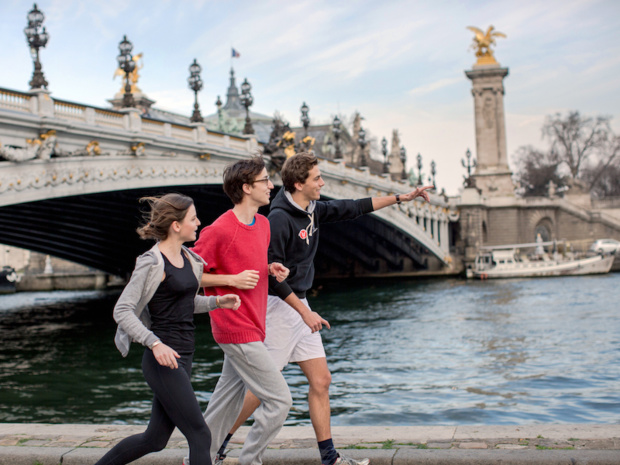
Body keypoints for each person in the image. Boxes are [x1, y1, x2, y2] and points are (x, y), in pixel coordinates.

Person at [216, 152, 434, 465]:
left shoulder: (312, 208)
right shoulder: (279, 219)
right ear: (297, 183)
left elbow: (354, 207)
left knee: (321, 380)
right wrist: (304, 313)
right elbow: (271, 278)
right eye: (317, 178)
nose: (322, 183)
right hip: (278, 307)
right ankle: (218, 444)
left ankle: (329, 457)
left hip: (300, 304)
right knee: (263, 387)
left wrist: (402, 197)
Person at [95, 193, 240, 465]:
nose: (198, 222)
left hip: (184, 354)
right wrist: (154, 343)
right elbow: (122, 310)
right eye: (193, 218)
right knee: (200, 434)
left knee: (155, 439)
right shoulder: (151, 262)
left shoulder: (190, 259)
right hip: (163, 360)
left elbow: (183, 303)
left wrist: (217, 301)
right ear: (176, 225)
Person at [189, 156, 292, 465]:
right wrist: (230, 280)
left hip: (254, 325)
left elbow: (247, 261)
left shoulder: (262, 224)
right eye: (265, 181)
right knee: (280, 400)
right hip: (234, 327)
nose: (272, 186)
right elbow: (187, 274)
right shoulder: (220, 229)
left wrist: (268, 267)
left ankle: (198, 459)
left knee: (225, 403)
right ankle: (250, 461)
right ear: (246, 188)